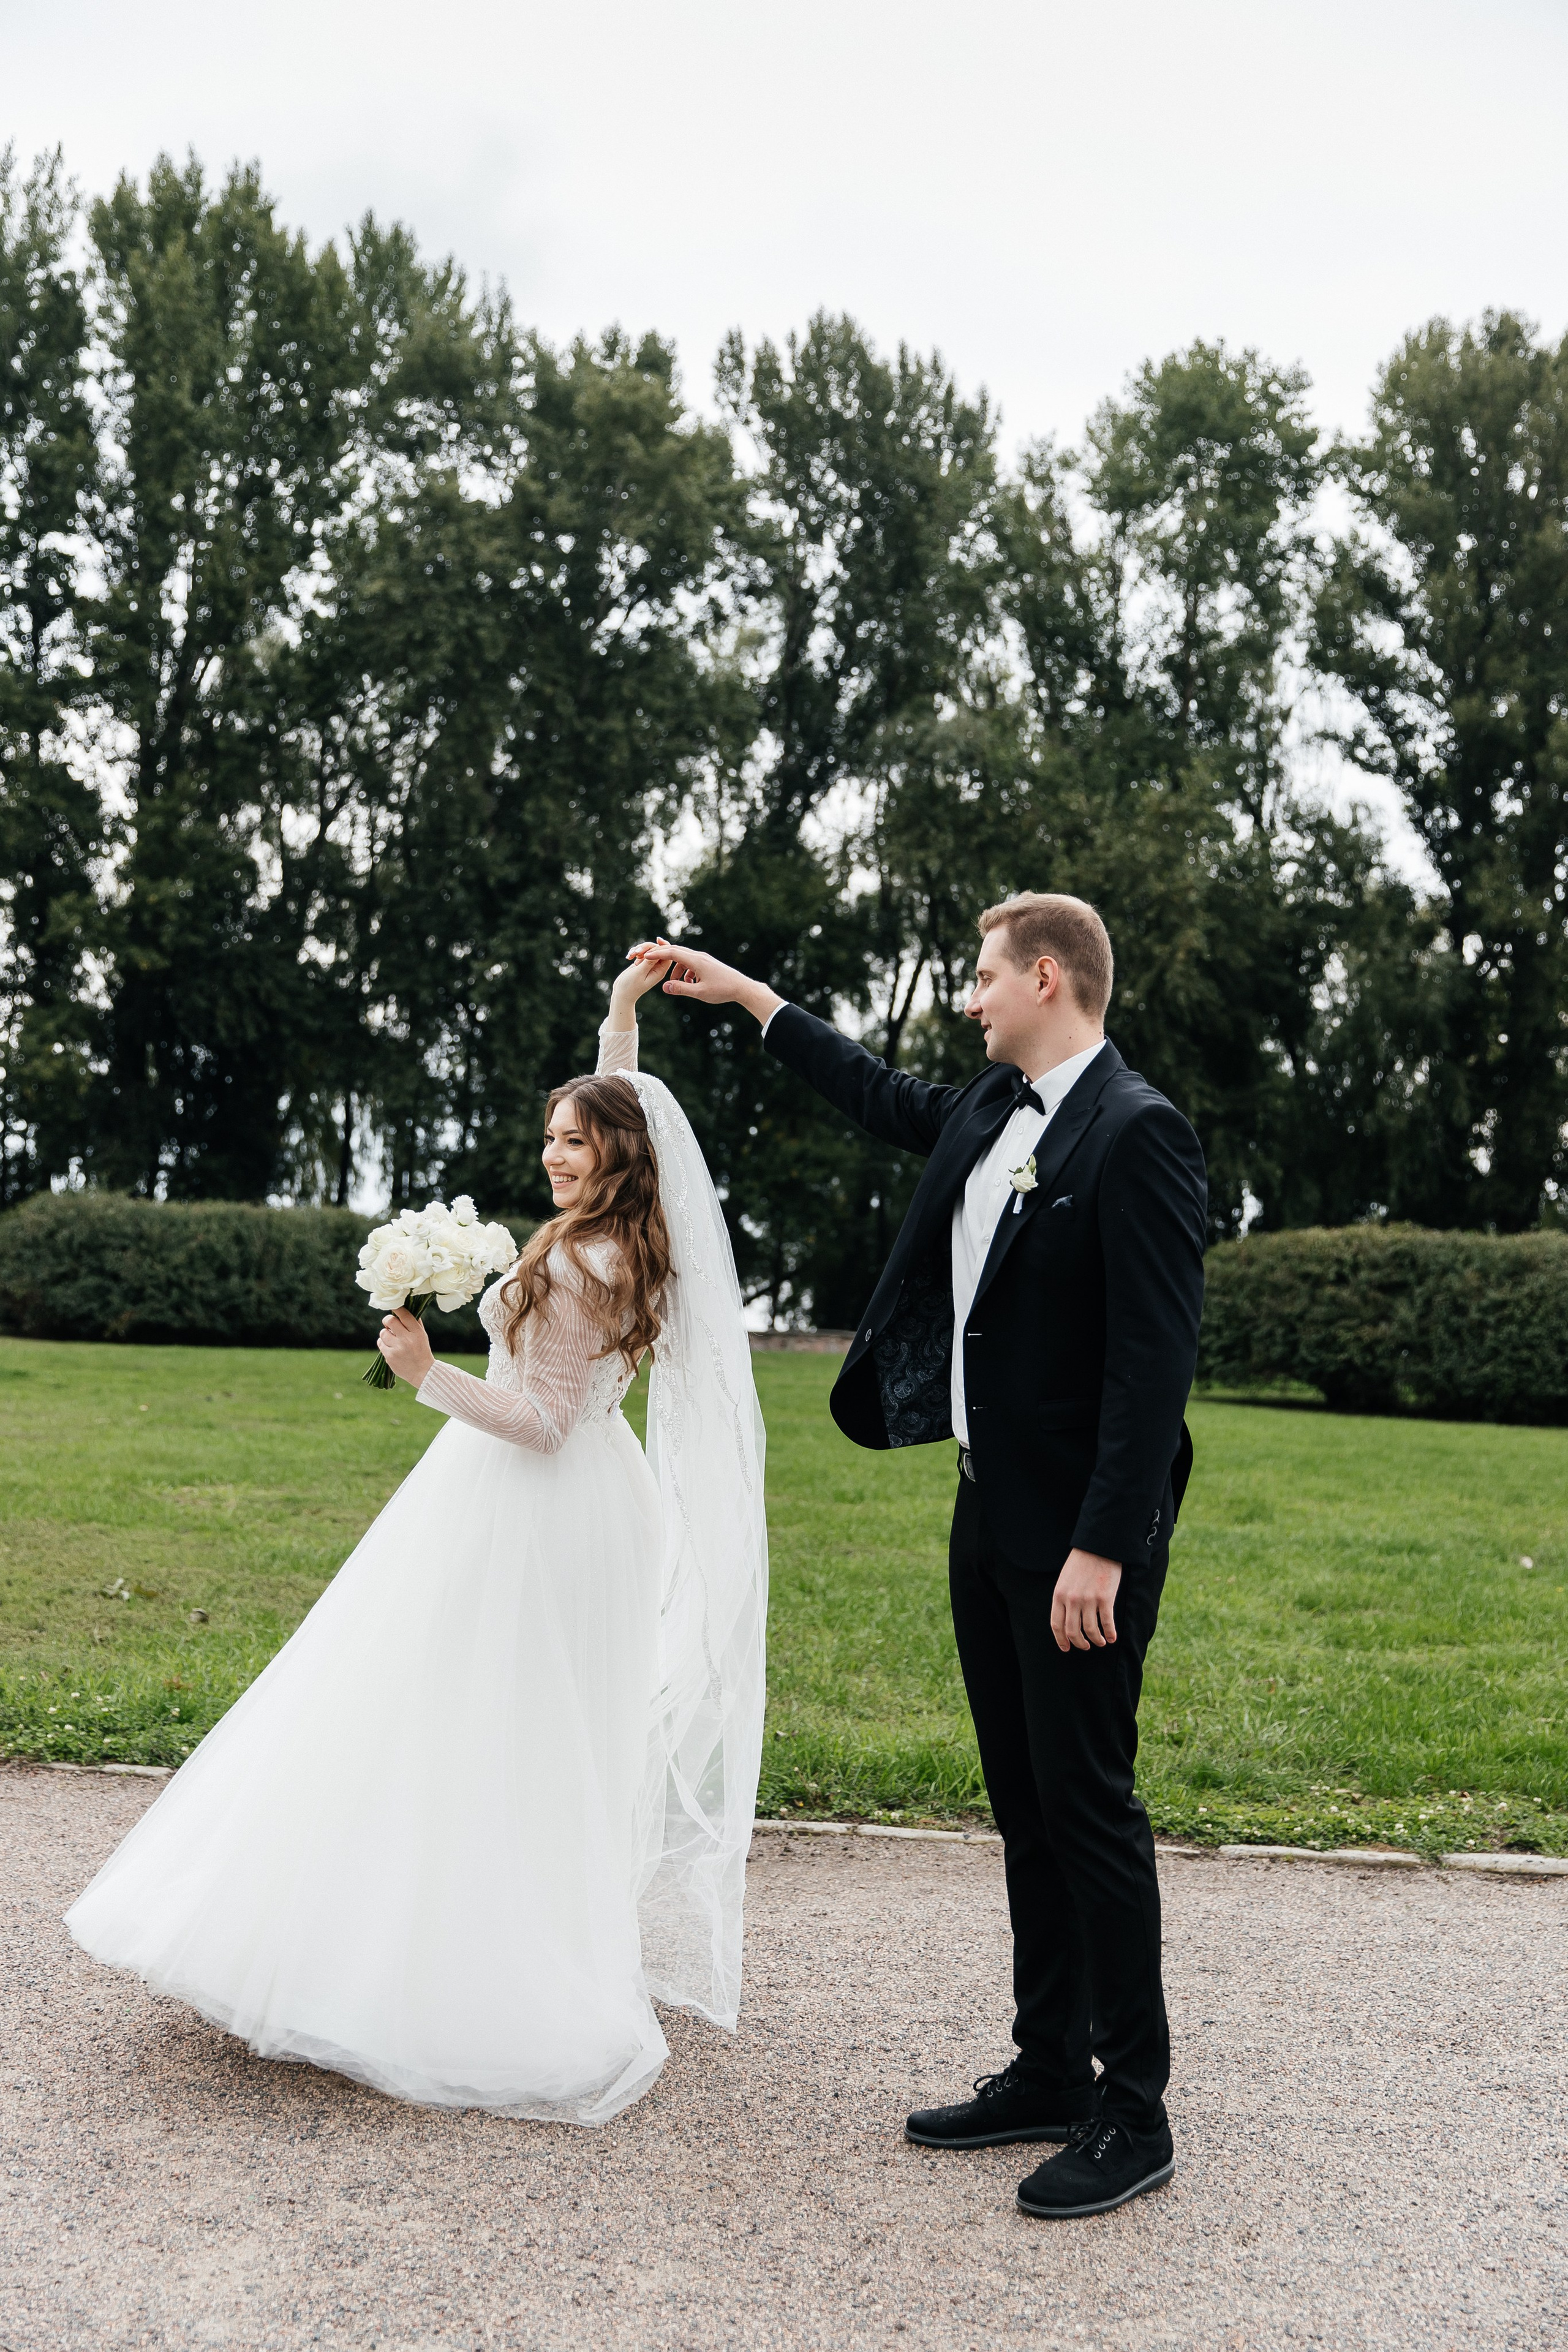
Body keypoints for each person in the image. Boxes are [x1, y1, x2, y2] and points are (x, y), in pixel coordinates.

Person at [66, 954, 768, 2126]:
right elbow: (618, 1106)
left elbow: (539, 1423)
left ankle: (443, 1964)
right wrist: (621, 1018)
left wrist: (427, 1374)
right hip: (603, 1503)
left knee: (448, 1708)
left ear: (620, 1160)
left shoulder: (586, 1265)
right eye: (551, 1136)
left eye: (576, 1144)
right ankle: (489, 1924)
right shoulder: (637, 1239)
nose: (556, 1153)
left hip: (532, 1506)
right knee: (537, 1729)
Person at [636, 892, 1205, 2218]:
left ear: (1047, 979)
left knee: (1089, 1809)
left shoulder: (1138, 1134)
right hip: (982, 1512)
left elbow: (1151, 1367)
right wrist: (748, 998)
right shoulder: (983, 1110)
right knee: (1023, 1806)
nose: (968, 997)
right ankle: (1046, 2066)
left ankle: (1135, 2111)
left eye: (981, 976)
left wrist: (1102, 1552)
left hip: (1079, 1546)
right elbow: (877, 1091)